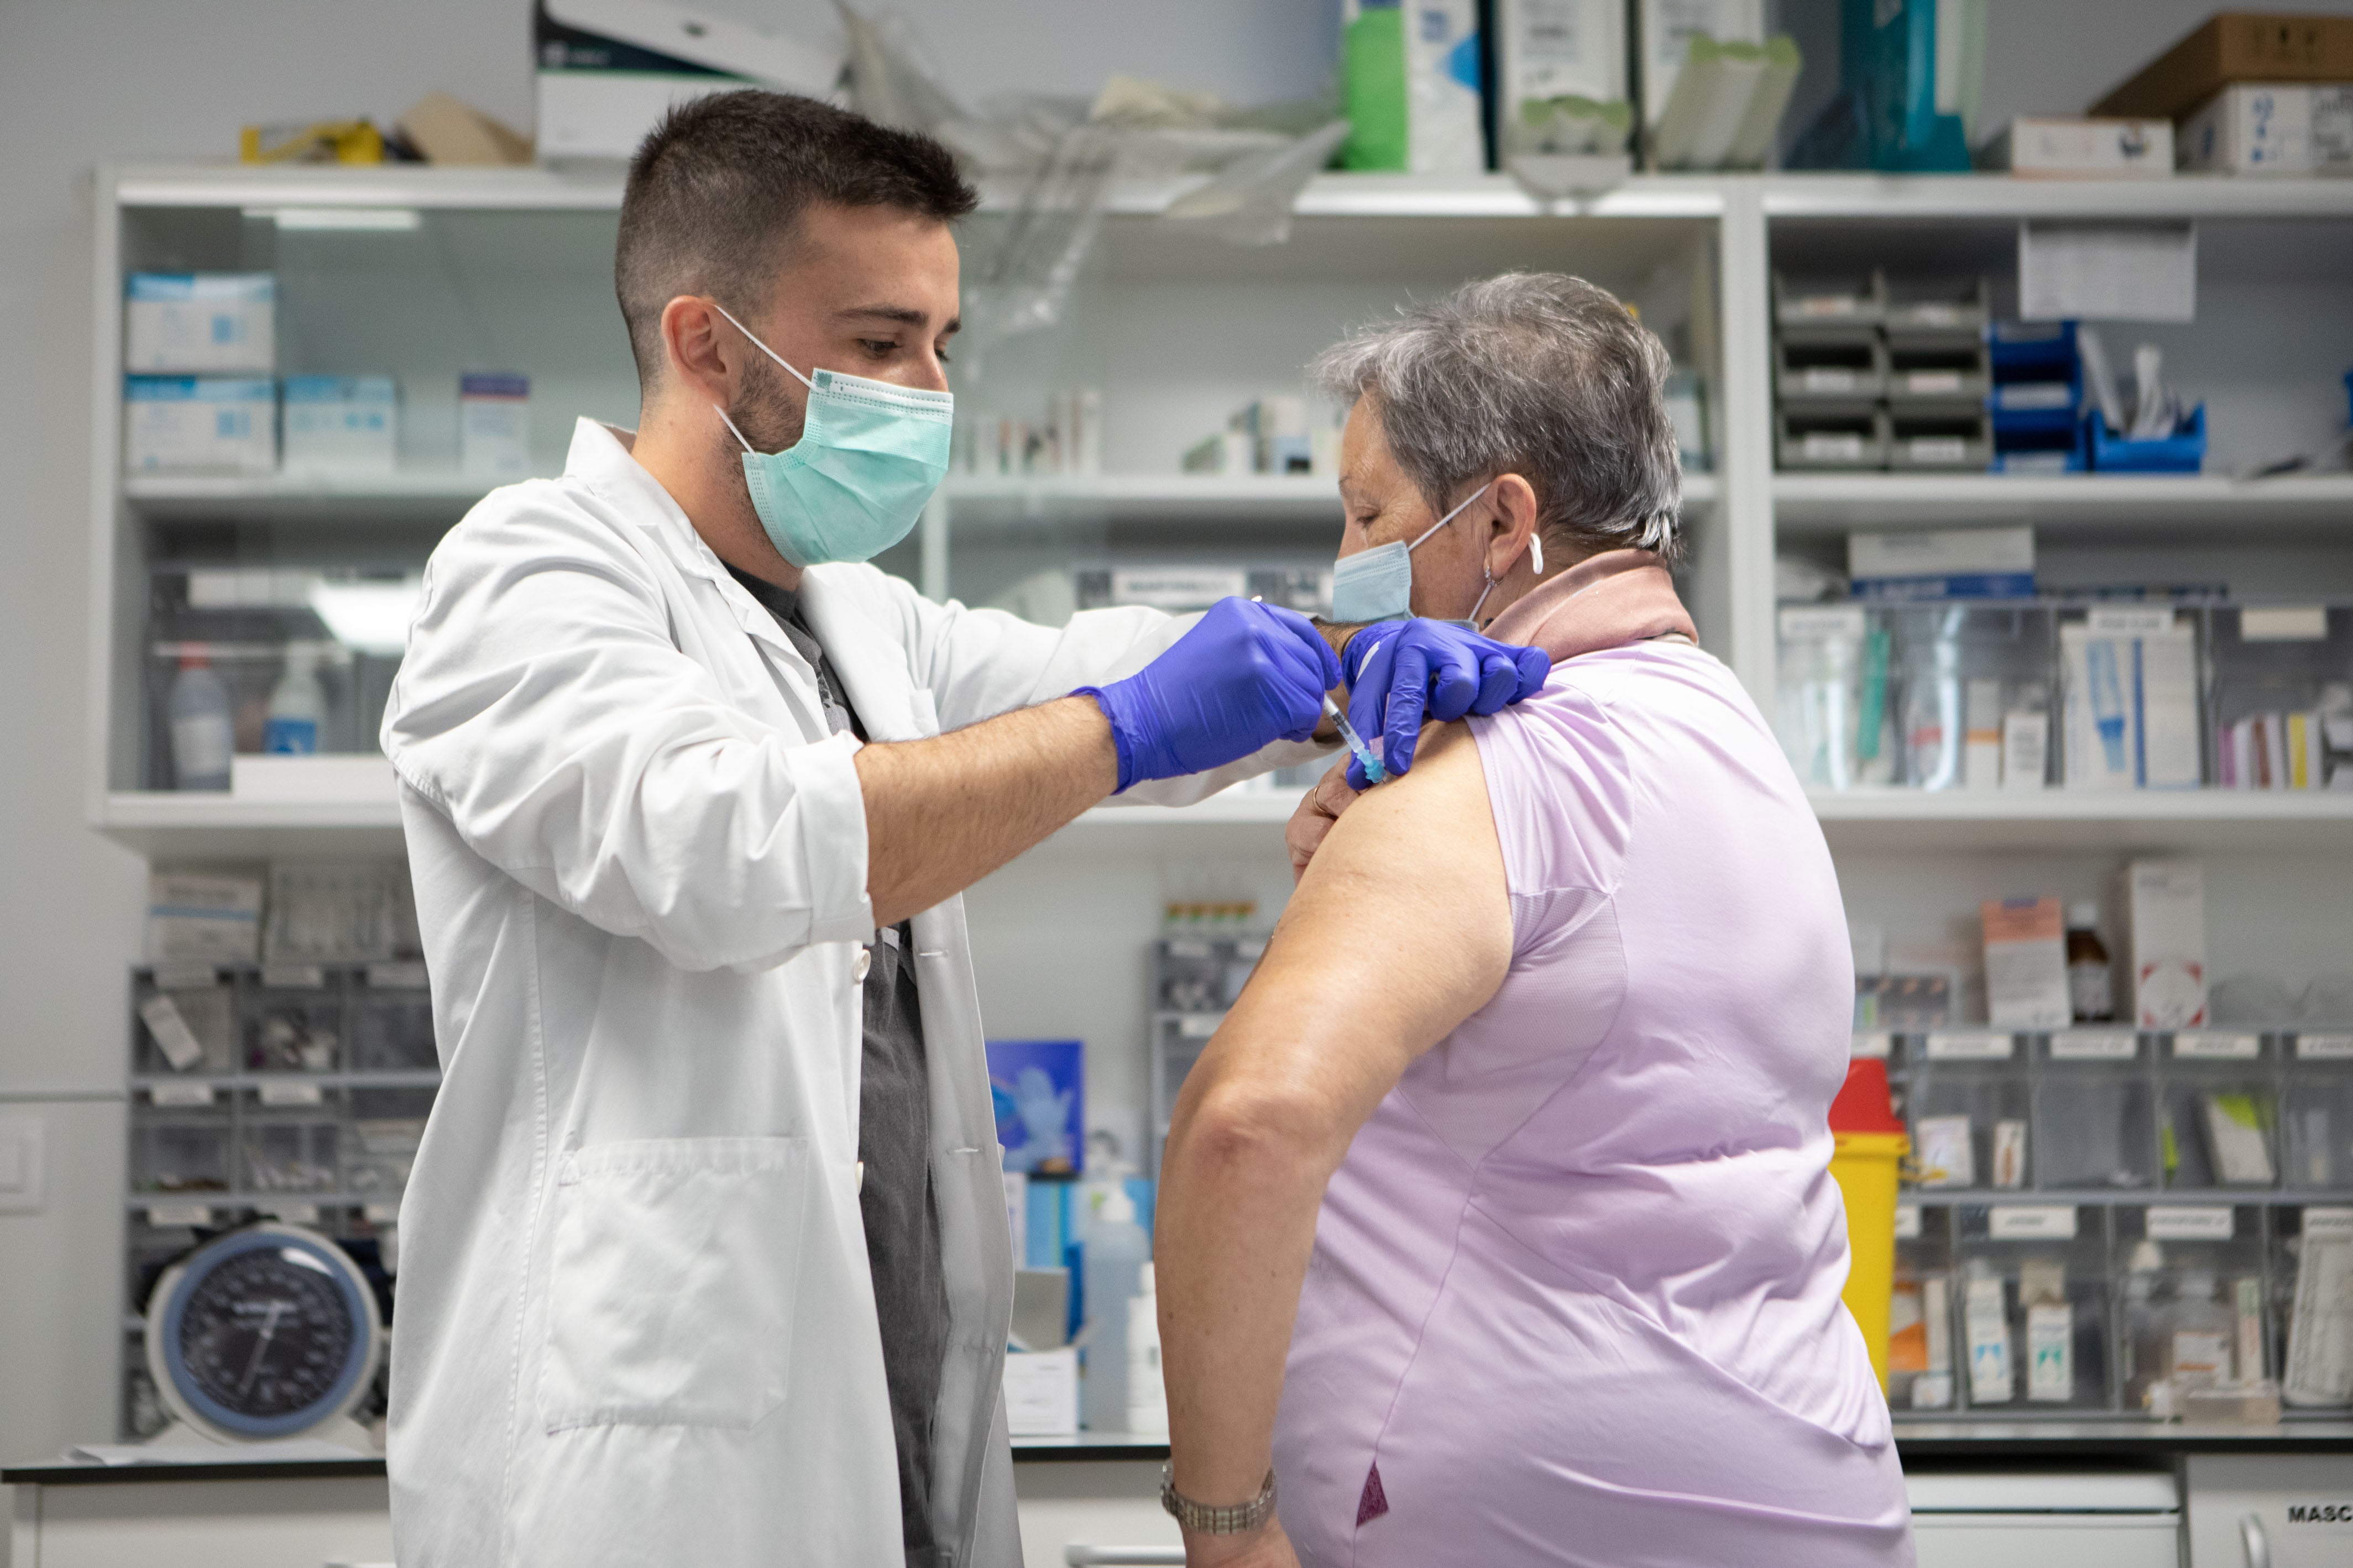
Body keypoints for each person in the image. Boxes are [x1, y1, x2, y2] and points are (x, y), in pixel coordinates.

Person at [377, 92, 1544, 1568]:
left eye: (944, 344)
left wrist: (1335, 658)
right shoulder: (528, 572)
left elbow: (1087, 674)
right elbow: (728, 847)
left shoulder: (859, 619)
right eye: (877, 344)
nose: (927, 389)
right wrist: (1135, 723)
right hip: (635, 1478)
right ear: (704, 342)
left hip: (897, 1430)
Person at [1153, 273, 1916, 1568]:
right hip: (1801, 1477)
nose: (1348, 565)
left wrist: (1227, 1526)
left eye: (1368, 514)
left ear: (1502, 518)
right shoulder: (1726, 733)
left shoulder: (1500, 770)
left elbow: (1250, 1125)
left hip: (1536, 1519)